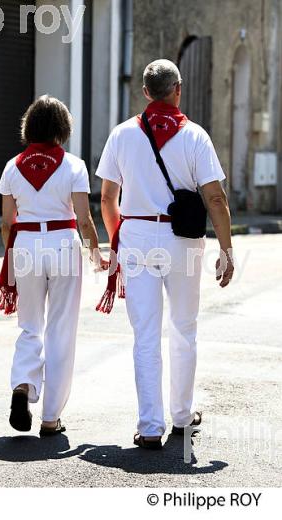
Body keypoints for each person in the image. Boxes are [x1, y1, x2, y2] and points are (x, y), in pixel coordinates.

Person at [96, 59, 234, 450]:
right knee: (184, 328)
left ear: (145, 92)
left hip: (137, 234)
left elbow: (107, 198)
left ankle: (150, 425)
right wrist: (226, 249)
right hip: (183, 241)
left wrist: (119, 238)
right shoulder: (195, 136)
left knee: (145, 335)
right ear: (178, 89)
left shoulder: (122, 134)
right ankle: (182, 415)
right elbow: (215, 198)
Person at [0, 94, 108, 436]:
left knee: (29, 325)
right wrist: (95, 253)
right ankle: (50, 418)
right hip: (62, 243)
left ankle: (23, 386)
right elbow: (84, 220)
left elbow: (5, 223)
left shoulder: (12, 166)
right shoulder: (73, 165)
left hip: (25, 245)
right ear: (62, 127)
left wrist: (14, 257)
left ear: (29, 126)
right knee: (61, 330)